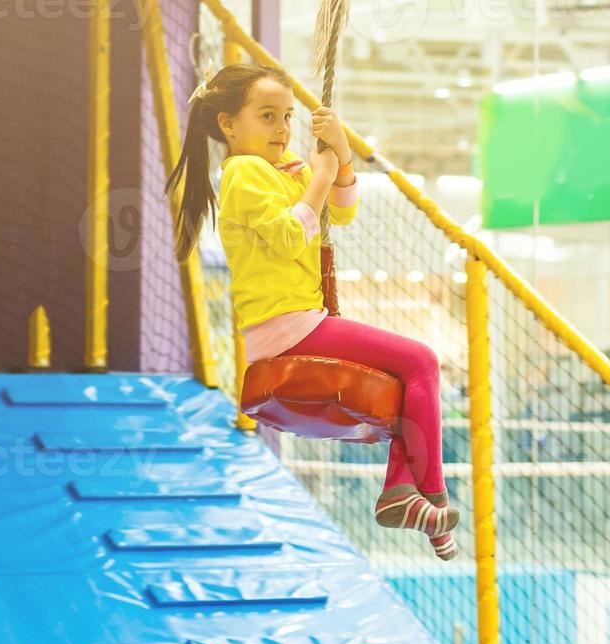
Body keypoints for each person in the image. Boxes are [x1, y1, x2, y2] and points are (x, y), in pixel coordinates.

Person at [165, 64, 459, 560]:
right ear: (228, 125)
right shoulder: (241, 174)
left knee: (412, 376)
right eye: (267, 117)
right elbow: (284, 239)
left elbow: (341, 213)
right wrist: (321, 177)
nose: (282, 130)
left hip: (302, 322)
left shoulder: (287, 169)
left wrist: (341, 160)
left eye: (286, 117)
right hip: (285, 327)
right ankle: (428, 494)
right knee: (421, 361)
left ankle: (403, 493)